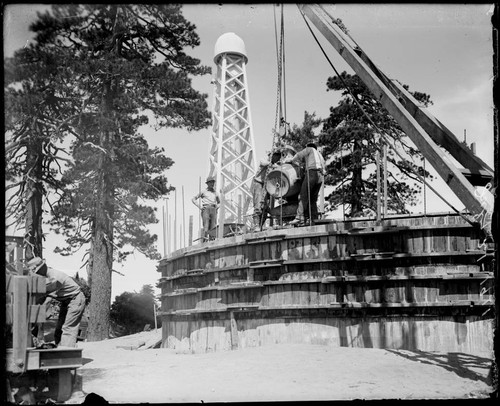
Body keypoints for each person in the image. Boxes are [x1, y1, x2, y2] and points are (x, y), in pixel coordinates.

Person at [27, 257, 86, 348]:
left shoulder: (55, 278)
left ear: (40, 269)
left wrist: (36, 316)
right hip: (66, 301)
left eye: (35, 271)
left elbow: (47, 299)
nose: (35, 274)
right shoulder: (47, 276)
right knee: (59, 328)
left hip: (75, 299)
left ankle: (66, 354)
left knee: (68, 328)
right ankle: (59, 350)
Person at [285, 142, 326, 225]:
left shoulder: (309, 149)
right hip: (320, 177)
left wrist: (291, 160)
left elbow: (299, 155)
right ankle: (314, 218)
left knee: (303, 195)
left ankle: (299, 217)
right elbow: (324, 166)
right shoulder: (319, 155)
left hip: (312, 173)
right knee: (312, 199)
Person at [192, 176, 220, 241]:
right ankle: (205, 240)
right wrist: (200, 207)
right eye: (210, 182)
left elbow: (219, 202)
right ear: (207, 183)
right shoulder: (203, 192)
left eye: (213, 182)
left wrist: (217, 207)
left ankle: (212, 240)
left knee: (213, 226)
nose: (212, 184)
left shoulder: (215, 193)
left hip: (213, 209)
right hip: (206, 209)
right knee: (206, 226)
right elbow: (193, 199)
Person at [250, 159, 270, 231]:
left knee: (265, 207)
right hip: (258, 184)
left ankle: (260, 225)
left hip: (267, 185)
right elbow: (262, 162)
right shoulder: (265, 162)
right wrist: (271, 163)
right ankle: (256, 225)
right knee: (258, 206)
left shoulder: (276, 166)